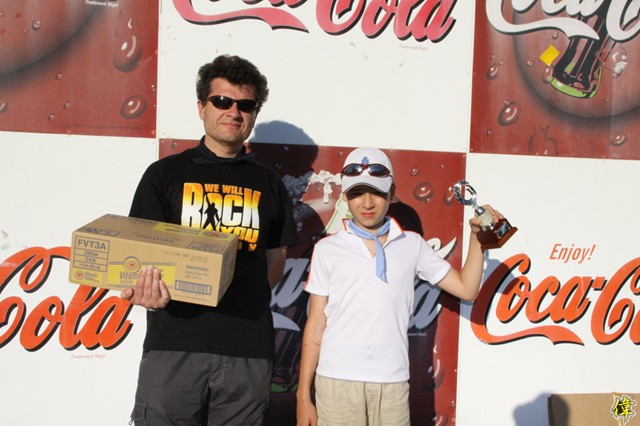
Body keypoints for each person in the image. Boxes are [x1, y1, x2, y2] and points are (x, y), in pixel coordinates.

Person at [121, 54, 299, 425]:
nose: (234, 112)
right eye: (222, 101)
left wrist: (237, 293)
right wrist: (146, 291)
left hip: (248, 349)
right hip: (175, 344)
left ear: (253, 114)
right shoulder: (164, 174)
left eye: (245, 105)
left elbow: (275, 259)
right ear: (202, 107)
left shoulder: (269, 182)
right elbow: (139, 255)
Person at [296, 147, 502, 426]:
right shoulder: (327, 248)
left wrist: (478, 238)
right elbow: (315, 325)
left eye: (377, 192)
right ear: (344, 197)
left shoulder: (412, 244)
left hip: (392, 384)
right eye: (357, 193)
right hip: (336, 383)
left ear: (391, 193)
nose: (367, 202)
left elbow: (467, 289)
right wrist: (303, 396)